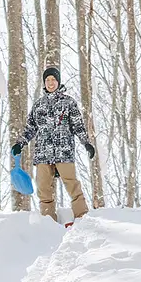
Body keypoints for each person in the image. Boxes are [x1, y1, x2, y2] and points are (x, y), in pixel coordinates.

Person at [12, 67, 97, 224]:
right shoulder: (39, 105)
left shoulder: (68, 102)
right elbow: (30, 128)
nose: (50, 83)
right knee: (44, 189)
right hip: (43, 153)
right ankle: (48, 222)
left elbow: (78, 126)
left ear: (58, 82)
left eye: (53, 80)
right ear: (44, 83)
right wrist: (20, 143)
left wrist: (86, 143)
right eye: (47, 80)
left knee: (72, 184)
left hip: (64, 151)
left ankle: (82, 218)